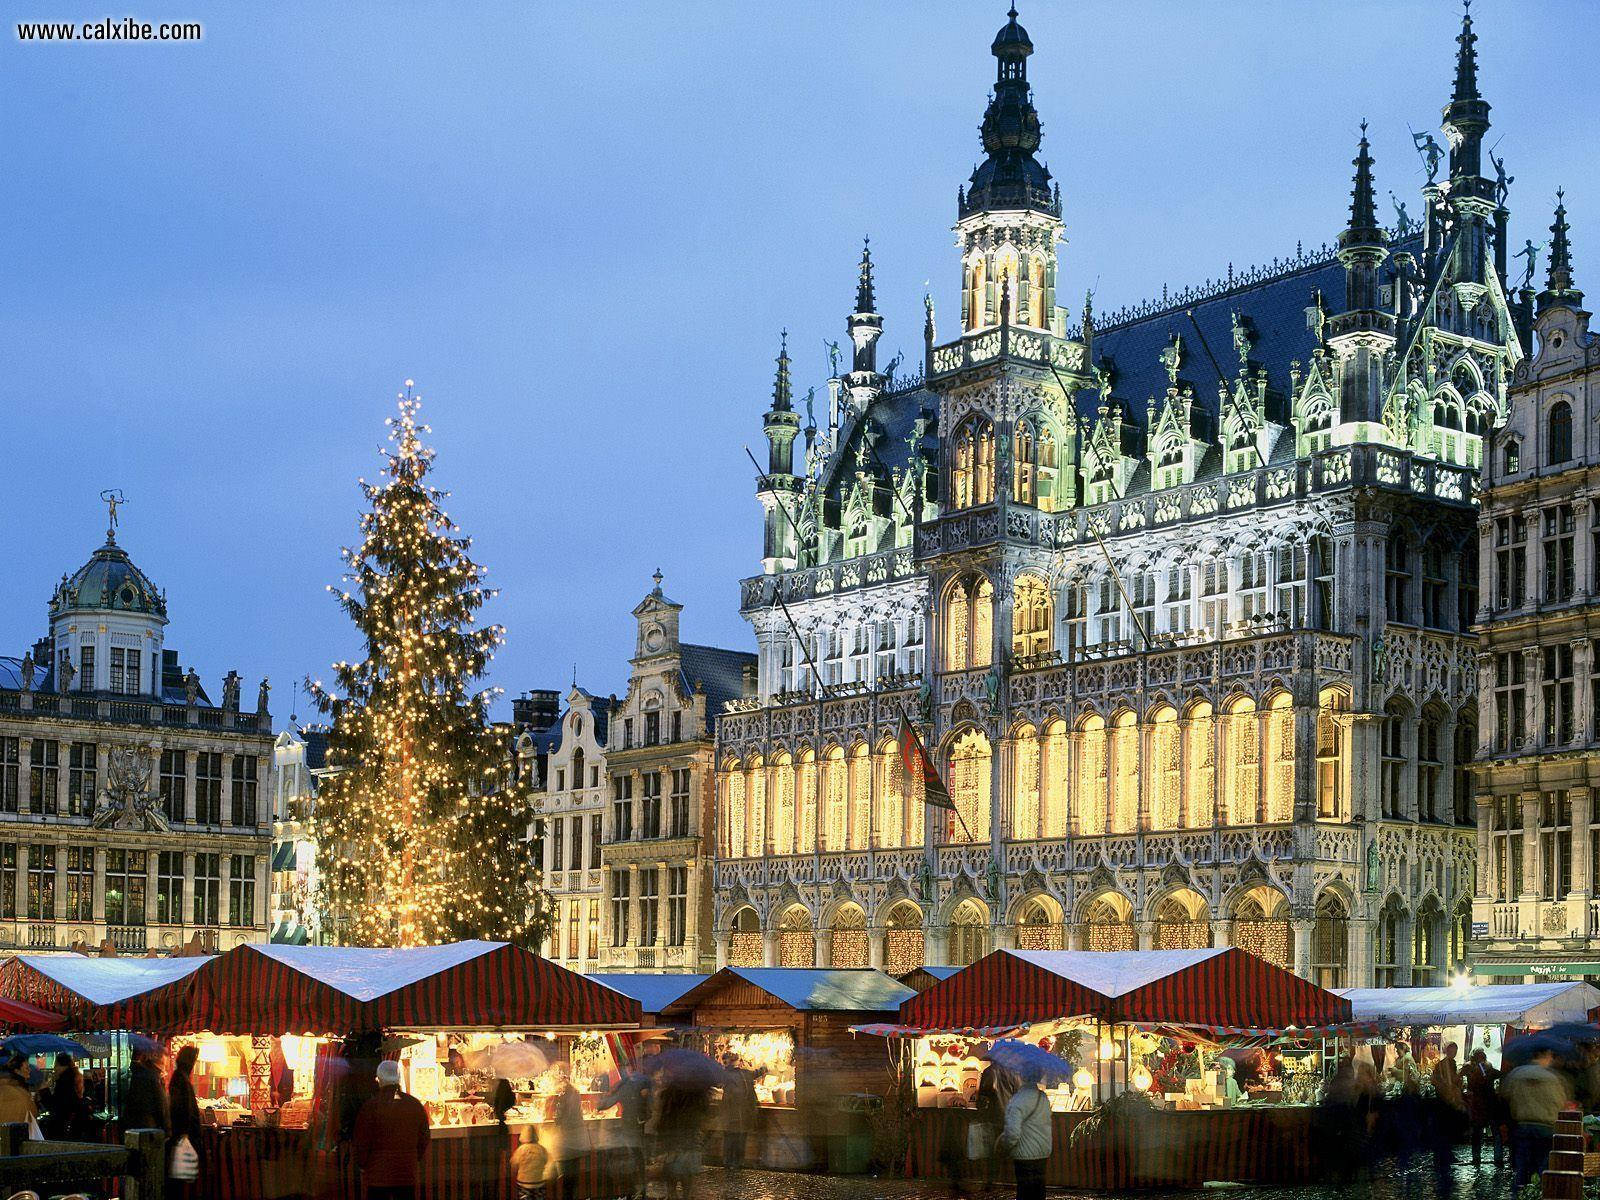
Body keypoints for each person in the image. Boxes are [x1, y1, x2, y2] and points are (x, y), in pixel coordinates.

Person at [352, 1060, 431, 1200]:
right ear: (399, 1077)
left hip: (378, 1174)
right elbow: (424, 1137)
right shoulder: (414, 1104)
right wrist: (413, 1157)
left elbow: (362, 1141)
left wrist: (362, 1164)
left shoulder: (371, 1106)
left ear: (379, 1079)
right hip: (406, 1172)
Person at [1502, 1047, 1570, 1192]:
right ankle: (1539, 1193)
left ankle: (1520, 1193)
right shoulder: (1552, 1078)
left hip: (1523, 1126)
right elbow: (1560, 1102)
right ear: (1544, 1056)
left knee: (1522, 1168)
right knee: (1543, 1168)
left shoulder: (1517, 1074)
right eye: (1550, 1056)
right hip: (1546, 1128)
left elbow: (1505, 1095)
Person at [997, 1063, 1051, 1200]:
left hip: (1024, 1154)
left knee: (1025, 1192)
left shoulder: (1017, 1101)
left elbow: (1013, 1133)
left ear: (1021, 1076)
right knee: (1039, 1191)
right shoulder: (1043, 1097)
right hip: (1042, 1152)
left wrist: (1004, 1146)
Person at [597, 1064, 651, 1199]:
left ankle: (632, 1189)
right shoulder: (642, 1082)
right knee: (639, 1156)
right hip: (640, 1124)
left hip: (630, 1125)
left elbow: (604, 1105)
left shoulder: (625, 1086)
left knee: (631, 1155)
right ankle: (641, 1189)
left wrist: (603, 1099)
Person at [546, 1064, 586, 1200]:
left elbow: (558, 1119)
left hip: (565, 1145)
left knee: (564, 1180)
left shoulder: (562, 1096)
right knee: (573, 1179)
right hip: (577, 1142)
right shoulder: (576, 1093)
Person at [168, 1044, 204, 1193]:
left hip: (182, 1136)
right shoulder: (180, 1079)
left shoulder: (180, 1077)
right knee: (179, 1182)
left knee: (180, 1180)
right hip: (183, 1136)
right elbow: (181, 1110)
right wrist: (185, 1134)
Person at [1462, 1048, 1503, 1167]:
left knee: (1478, 1133)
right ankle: (1497, 1159)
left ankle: (1477, 1158)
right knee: (1494, 1132)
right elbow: (1499, 1074)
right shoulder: (1484, 1069)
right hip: (1488, 1104)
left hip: (1480, 1105)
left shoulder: (1473, 1069)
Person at [1430, 1041, 1467, 1171]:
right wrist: (1462, 1073)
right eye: (1453, 1051)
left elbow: (1435, 1080)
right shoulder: (1448, 1064)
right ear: (1448, 1051)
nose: (1454, 1053)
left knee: (1443, 1129)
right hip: (1447, 1101)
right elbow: (1452, 1081)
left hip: (1442, 1099)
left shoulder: (1441, 1064)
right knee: (1447, 1129)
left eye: (1455, 1051)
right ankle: (1444, 1155)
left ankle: (1443, 1155)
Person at [718, 1054, 757, 1173]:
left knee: (730, 1138)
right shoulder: (745, 1074)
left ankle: (728, 1163)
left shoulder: (726, 1075)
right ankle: (738, 1163)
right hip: (742, 1113)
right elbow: (752, 1097)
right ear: (739, 1062)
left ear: (729, 1062)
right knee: (740, 1139)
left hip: (730, 1114)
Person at [42, 1051, 89, 1140]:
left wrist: (44, 1091)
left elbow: (56, 1106)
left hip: (63, 1127)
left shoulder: (64, 1082)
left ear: (63, 1066)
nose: (54, 1068)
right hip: (75, 1126)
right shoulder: (73, 1078)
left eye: (56, 1065)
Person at [123, 1045, 169, 1133]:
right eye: (165, 1055)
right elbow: (161, 1106)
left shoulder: (141, 1073)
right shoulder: (152, 1077)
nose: (167, 1059)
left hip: (137, 1127)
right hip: (149, 1129)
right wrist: (167, 1130)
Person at [510, 1125, 549, 1200]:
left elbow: (514, 1163)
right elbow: (547, 1161)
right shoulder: (541, 1149)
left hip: (524, 1182)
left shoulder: (521, 1149)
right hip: (539, 1181)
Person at [0, 1053, 37, 1128]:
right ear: (17, 1071)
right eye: (26, 1068)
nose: (29, 1070)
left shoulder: (18, 1089)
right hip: (16, 1134)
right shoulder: (19, 1092)